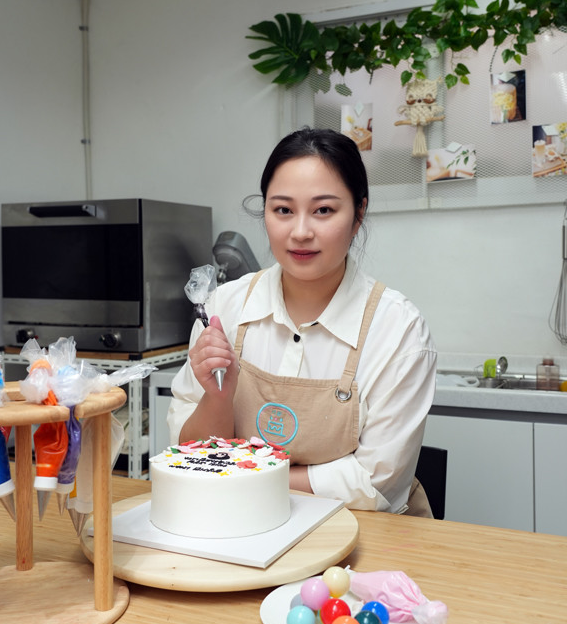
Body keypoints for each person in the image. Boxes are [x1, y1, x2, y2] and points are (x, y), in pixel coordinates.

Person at [167, 128, 437, 514]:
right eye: (283, 210)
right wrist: (219, 397)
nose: (300, 232)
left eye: (323, 210)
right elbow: (184, 452)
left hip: (366, 544)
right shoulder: (224, 309)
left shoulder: (398, 330)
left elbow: (375, 483)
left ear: (358, 214)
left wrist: (243, 470)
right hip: (238, 526)